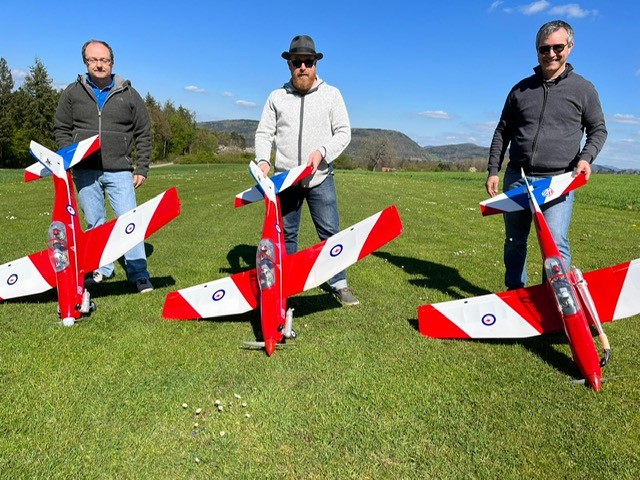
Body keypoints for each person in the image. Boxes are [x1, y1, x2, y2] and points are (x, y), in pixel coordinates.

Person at [486, 20, 607, 290]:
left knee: (555, 245)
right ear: (537, 50)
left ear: (570, 48)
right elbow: (501, 132)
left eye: (558, 47)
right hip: (518, 178)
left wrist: (586, 157)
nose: (551, 54)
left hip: (558, 181)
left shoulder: (583, 89)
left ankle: (557, 304)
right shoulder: (520, 90)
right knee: (514, 241)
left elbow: (598, 129)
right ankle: (515, 296)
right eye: (544, 48)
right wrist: (493, 170)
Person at [254, 34, 358, 305]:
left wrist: (323, 152)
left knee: (330, 233)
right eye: (297, 62)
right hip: (286, 180)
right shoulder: (276, 97)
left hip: (320, 178)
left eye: (308, 62)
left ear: (316, 65)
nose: (302, 67)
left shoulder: (332, 95)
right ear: (289, 65)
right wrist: (264, 159)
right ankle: (285, 287)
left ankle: (339, 283)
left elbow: (344, 132)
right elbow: (264, 133)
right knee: (286, 235)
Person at [54, 39, 154, 293]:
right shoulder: (72, 93)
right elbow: (62, 128)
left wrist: (142, 167)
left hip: (120, 170)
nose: (99, 65)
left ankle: (139, 273)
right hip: (85, 170)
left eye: (104, 60)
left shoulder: (128, 93)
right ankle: (101, 268)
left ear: (112, 62)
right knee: (95, 222)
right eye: (93, 60)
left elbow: (144, 131)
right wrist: (68, 158)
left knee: (129, 222)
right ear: (85, 63)